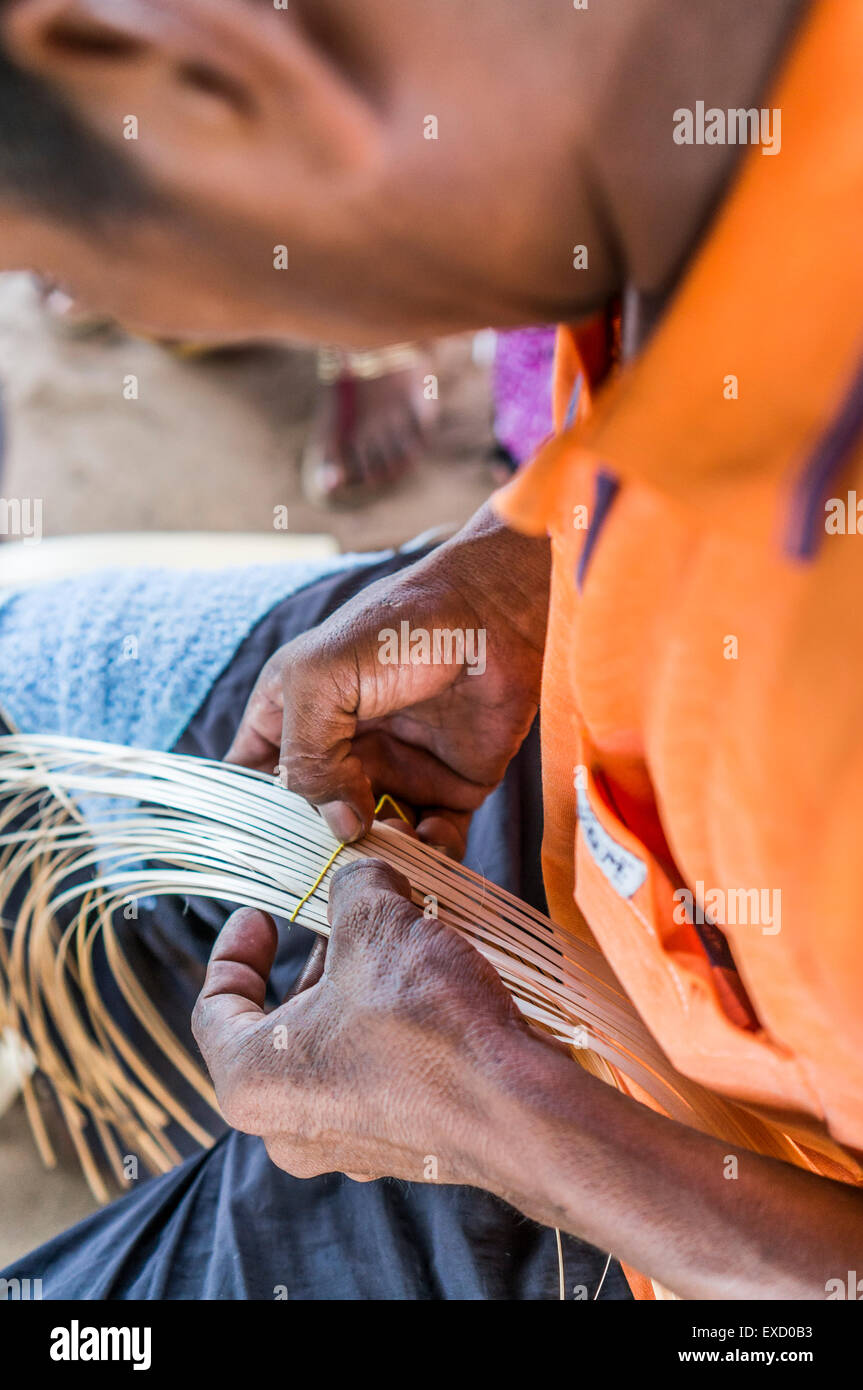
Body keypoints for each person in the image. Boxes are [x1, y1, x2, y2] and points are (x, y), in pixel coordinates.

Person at [1, 0, 862, 1300]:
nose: (79, 295)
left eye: (51, 268)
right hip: (556, 787)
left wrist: (508, 1129)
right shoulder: (701, 136)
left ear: (179, 62)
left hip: (658, 1209)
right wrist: (530, 558)